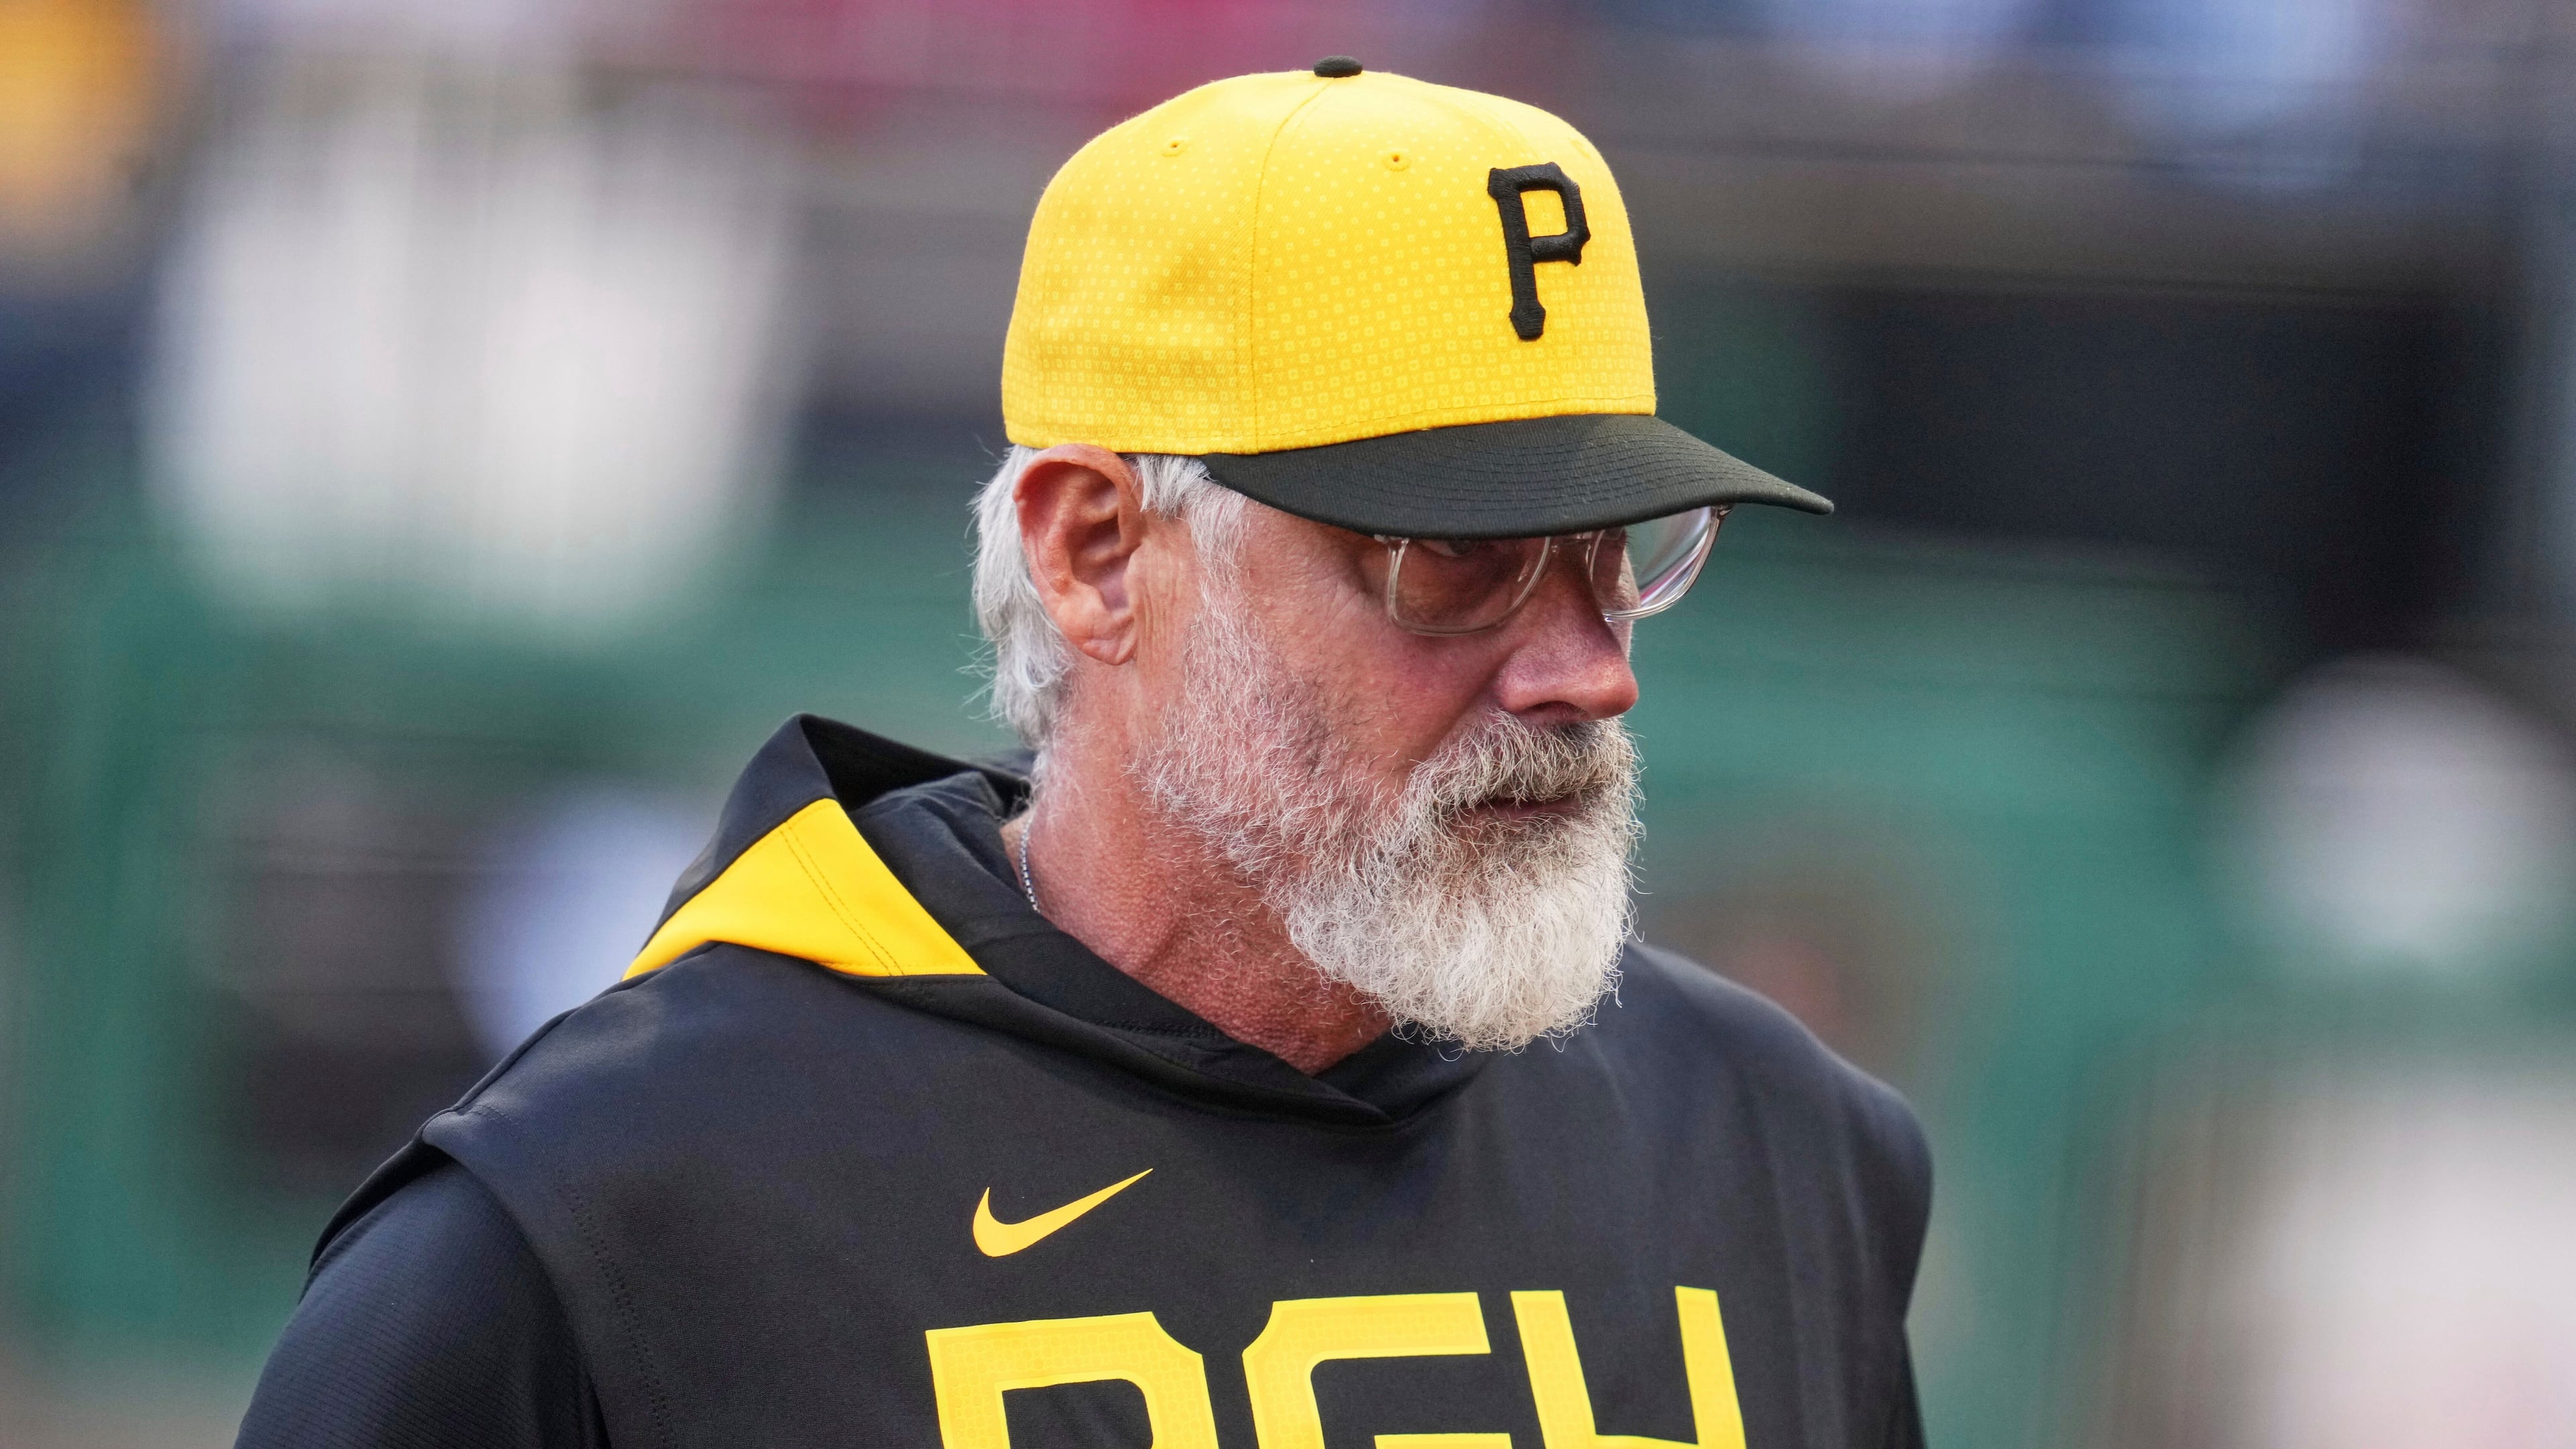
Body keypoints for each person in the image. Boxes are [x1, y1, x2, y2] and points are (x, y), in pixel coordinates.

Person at [235, 60, 1931, 1449]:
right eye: (1455, 562)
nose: (1588, 673)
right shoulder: (593, 1230)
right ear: (1097, 553)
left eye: (1617, 555)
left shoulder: (1779, 1152)